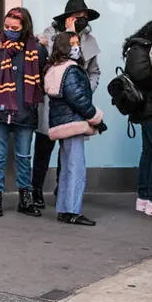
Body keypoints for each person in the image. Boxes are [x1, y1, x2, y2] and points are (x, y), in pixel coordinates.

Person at [33, 0, 101, 208]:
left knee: (69, 152)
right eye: (77, 17)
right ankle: (36, 190)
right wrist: (68, 34)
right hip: (52, 102)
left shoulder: (89, 41)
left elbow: (93, 71)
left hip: (75, 104)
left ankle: (62, 192)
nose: (82, 21)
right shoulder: (51, 36)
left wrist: (83, 90)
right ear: (67, 18)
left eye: (85, 17)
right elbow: (57, 61)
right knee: (44, 148)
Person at [0, 7, 47, 217]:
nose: (10, 30)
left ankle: (25, 199)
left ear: (24, 27)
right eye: (6, 27)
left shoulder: (37, 49)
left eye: (15, 27)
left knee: (23, 156)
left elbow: (41, 77)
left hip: (25, 109)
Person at [45, 32, 105, 226]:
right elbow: (79, 99)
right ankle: (72, 210)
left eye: (77, 43)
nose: (76, 47)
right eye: (72, 43)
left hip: (62, 123)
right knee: (75, 168)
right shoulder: (71, 70)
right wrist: (96, 118)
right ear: (63, 47)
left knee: (67, 167)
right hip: (74, 122)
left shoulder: (55, 67)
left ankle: (64, 209)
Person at [122, 17, 152, 217]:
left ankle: (144, 197)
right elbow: (145, 77)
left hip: (145, 107)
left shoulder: (136, 47)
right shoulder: (145, 49)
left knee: (149, 151)